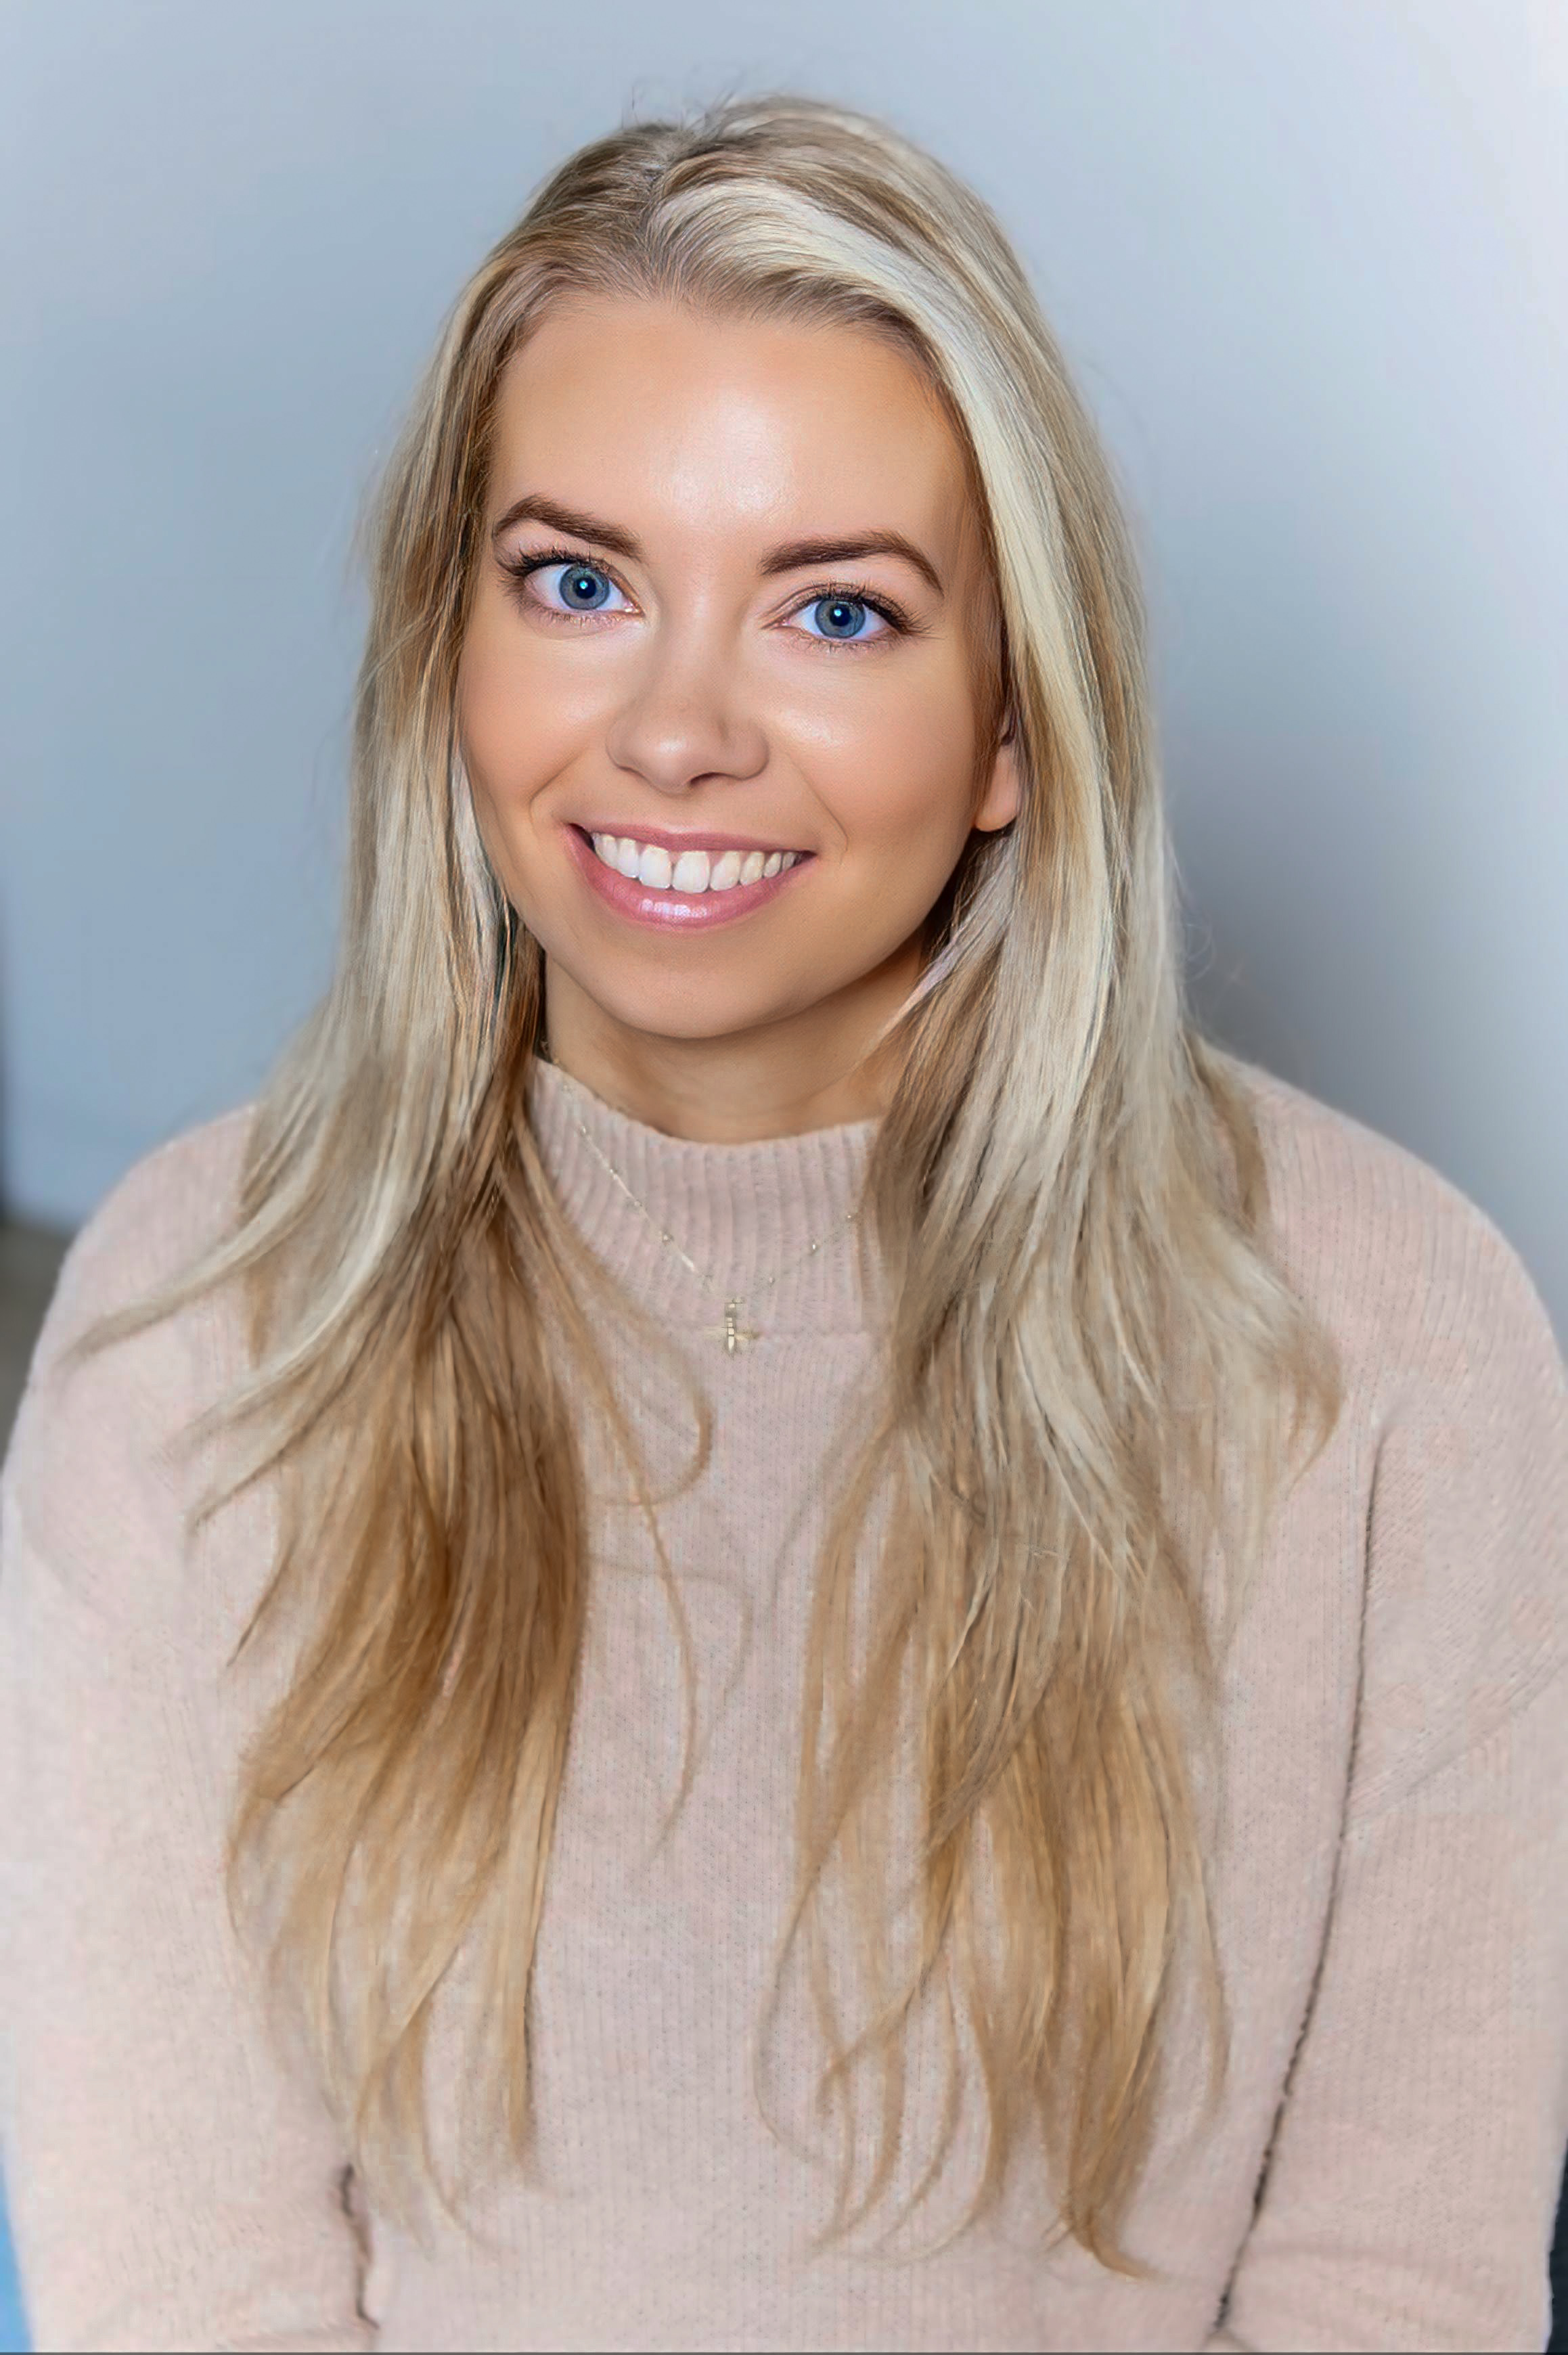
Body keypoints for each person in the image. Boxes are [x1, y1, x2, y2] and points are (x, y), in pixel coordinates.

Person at [1, 93, 1564, 2355]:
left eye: (837, 611)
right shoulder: (196, 1318)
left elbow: (1393, 2298)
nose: (679, 732)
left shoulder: (1395, 1337)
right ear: (448, 646)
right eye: (580, 584)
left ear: (1014, 726)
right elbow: (185, 2299)